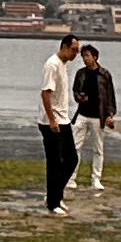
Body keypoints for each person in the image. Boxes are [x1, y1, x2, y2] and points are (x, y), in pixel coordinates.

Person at [34, 25, 79, 213]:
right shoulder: (52, 64)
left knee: (71, 159)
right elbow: (45, 94)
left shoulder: (62, 65)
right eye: (74, 50)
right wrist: (51, 120)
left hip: (64, 119)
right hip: (51, 122)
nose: (76, 54)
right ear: (65, 47)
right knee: (54, 163)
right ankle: (53, 202)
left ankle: (55, 194)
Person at [71, 40, 117, 194]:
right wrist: (79, 98)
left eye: (88, 56)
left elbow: (110, 96)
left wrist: (110, 115)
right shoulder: (81, 73)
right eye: (83, 56)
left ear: (95, 57)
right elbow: (75, 91)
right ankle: (71, 178)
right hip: (82, 114)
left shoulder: (104, 74)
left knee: (98, 149)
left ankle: (96, 179)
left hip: (99, 116)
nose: (85, 59)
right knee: (75, 147)